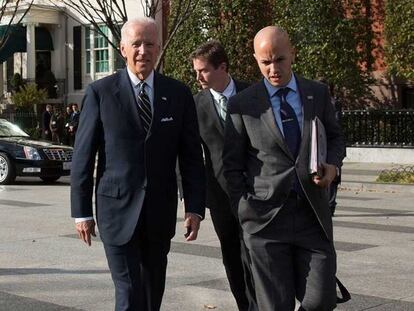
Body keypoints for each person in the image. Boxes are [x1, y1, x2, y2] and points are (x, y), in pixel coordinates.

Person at [70, 17, 206, 311]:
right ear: (122, 49)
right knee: (129, 292)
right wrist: (81, 212)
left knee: (152, 293)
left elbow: (192, 157)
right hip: (116, 212)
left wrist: (194, 207)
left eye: (150, 44)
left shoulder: (178, 94)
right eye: (136, 44)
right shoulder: (100, 93)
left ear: (159, 49)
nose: (143, 51)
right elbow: (83, 156)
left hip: (159, 212)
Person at [223, 26, 346, 311]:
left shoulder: (316, 93)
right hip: (264, 220)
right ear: (256, 60)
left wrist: (334, 167)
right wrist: (244, 209)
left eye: (279, 59)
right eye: (266, 62)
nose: (273, 68)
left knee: (321, 300)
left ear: (292, 53)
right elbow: (231, 165)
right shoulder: (242, 105)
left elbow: (336, 137)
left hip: (312, 215)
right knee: (275, 306)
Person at [191, 40, 256, 311]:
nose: (198, 77)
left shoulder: (253, 94)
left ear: (223, 67)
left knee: (258, 255)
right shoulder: (195, 105)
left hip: (256, 193)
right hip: (219, 197)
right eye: (195, 71)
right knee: (232, 256)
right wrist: (193, 204)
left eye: (203, 71)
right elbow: (191, 157)